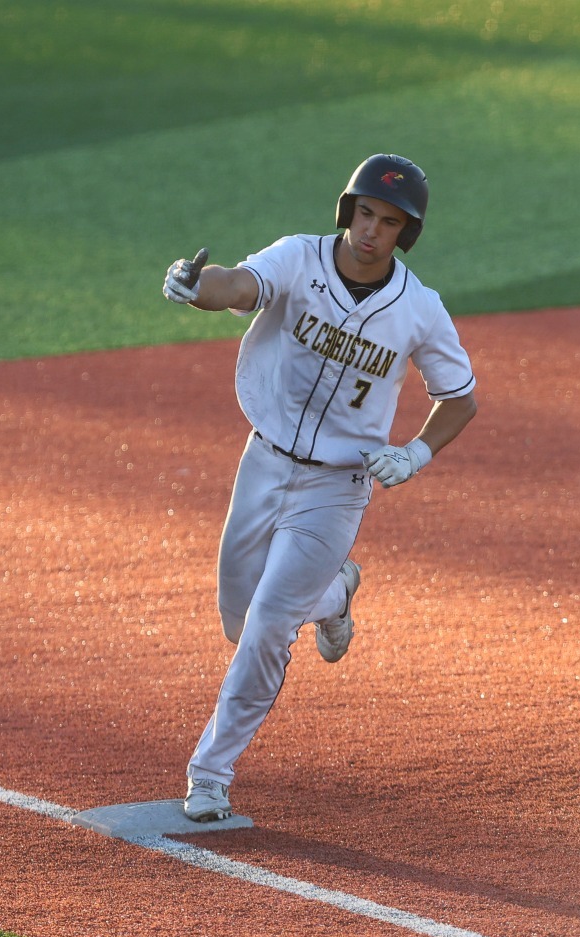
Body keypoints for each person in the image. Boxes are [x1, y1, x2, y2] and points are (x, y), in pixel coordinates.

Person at [159, 154, 479, 822]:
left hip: (338, 486)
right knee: (238, 616)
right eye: (365, 213)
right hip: (264, 462)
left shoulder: (418, 310)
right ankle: (335, 592)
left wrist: (417, 451)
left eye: (389, 222)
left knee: (269, 628)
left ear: (405, 232)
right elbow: (240, 285)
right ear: (348, 210)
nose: (372, 231)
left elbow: (460, 397)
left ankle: (210, 773)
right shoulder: (298, 258)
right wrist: (197, 285)